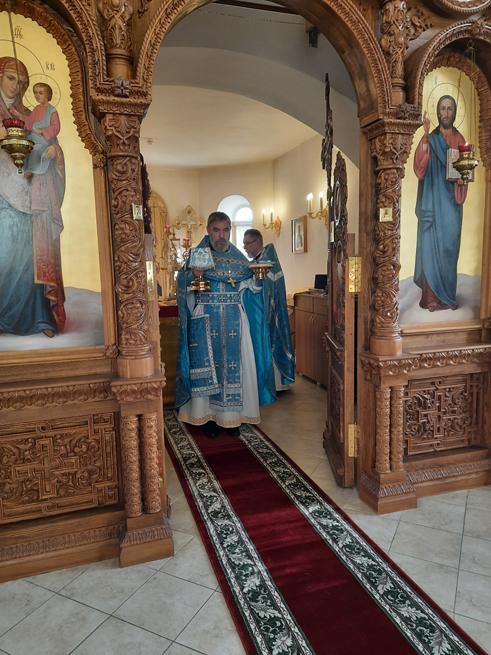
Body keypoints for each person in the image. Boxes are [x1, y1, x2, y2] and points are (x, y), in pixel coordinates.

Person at [176, 212, 281, 439]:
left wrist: (260, 278)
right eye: (217, 230)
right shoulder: (198, 256)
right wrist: (193, 275)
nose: (221, 236)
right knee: (209, 371)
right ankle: (209, 419)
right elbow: (182, 284)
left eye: (225, 230)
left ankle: (231, 419)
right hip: (205, 319)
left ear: (230, 231)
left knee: (235, 370)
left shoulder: (238, 257)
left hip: (235, 319)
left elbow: (252, 289)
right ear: (209, 231)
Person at [0, 57, 66, 338]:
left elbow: (49, 141)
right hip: (2, 199)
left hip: (30, 196)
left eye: (21, 82)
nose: (15, 86)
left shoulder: (31, 114)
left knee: (30, 255)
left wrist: (55, 152)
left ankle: (39, 316)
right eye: (10, 78)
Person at [413, 95, 468, 312]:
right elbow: (419, 168)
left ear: (454, 113)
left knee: (448, 249)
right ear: (438, 112)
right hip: (432, 205)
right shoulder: (430, 137)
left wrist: (463, 177)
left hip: (451, 207)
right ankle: (431, 299)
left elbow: (465, 173)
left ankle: (447, 297)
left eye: (450, 109)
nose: (446, 113)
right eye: (443, 109)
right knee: (430, 247)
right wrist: (426, 138)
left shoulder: (460, 140)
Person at [243, 229, 294, 391]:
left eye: (247, 244)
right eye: (244, 244)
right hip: (261, 309)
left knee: (272, 340)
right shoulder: (260, 260)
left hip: (271, 309)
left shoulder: (267, 261)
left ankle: (276, 384)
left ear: (257, 241)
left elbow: (269, 286)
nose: (245, 248)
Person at [17, 83, 61, 178]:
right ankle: (20, 170)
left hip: (43, 141)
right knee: (21, 146)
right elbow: (29, 122)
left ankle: (30, 170)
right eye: (35, 93)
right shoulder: (37, 109)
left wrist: (42, 131)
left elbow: (55, 127)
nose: (37, 96)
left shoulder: (52, 111)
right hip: (32, 138)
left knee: (36, 149)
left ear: (47, 95)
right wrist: (18, 114)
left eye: (40, 93)